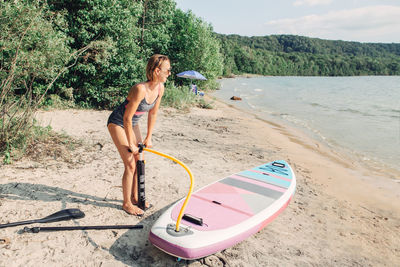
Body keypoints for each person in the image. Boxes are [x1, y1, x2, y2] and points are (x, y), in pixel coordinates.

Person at [107, 54, 171, 215]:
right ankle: (127, 203)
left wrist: (149, 137)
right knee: (130, 163)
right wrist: (130, 144)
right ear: (157, 71)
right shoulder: (139, 89)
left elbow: (153, 114)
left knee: (140, 160)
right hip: (118, 122)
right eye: (167, 70)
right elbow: (126, 118)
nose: (169, 73)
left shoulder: (160, 88)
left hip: (133, 123)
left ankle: (135, 197)